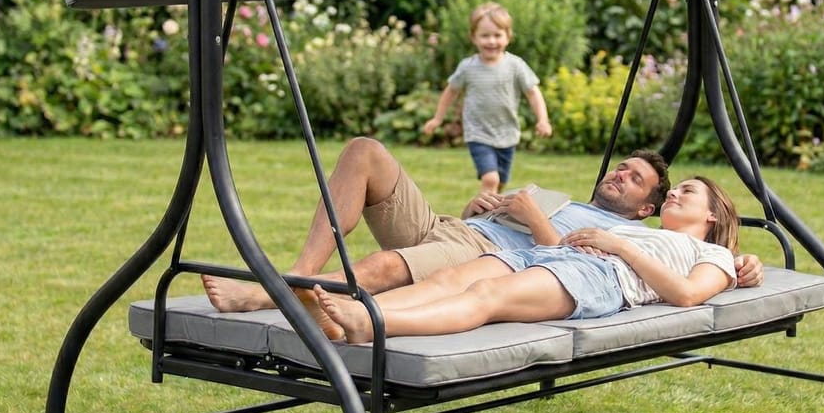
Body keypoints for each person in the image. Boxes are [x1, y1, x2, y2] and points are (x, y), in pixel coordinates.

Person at [201, 139, 765, 336]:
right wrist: (486, 209)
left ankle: (266, 292)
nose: (619, 174)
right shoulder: (572, 203)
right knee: (365, 153)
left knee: (386, 267)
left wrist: (744, 264)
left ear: (647, 209)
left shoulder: (628, 235)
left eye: (634, 179)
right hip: (460, 228)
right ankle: (300, 275)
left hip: (492, 252)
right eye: (620, 167)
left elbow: (558, 256)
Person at [313, 176, 739, 343]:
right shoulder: (644, 230)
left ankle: (372, 324)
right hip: (551, 254)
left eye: (687, 191)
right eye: (675, 189)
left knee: (486, 294)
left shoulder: (712, 253)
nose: (674, 193)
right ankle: (356, 312)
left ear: (712, 215)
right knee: (446, 280)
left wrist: (619, 247)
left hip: (600, 278)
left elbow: (686, 294)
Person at [422, 1, 552, 192]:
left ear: (508, 36)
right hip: (478, 133)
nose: (491, 41)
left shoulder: (515, 65)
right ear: (473, 37)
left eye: (497, 35)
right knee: (490, 179)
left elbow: (532, 92)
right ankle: (481, 211)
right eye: (485, 36)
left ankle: (491, 207)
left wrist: (543, 120)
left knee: (500, 184)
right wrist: (437, 119)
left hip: (507, 134)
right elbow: (451, 91)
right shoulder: (468, 67)